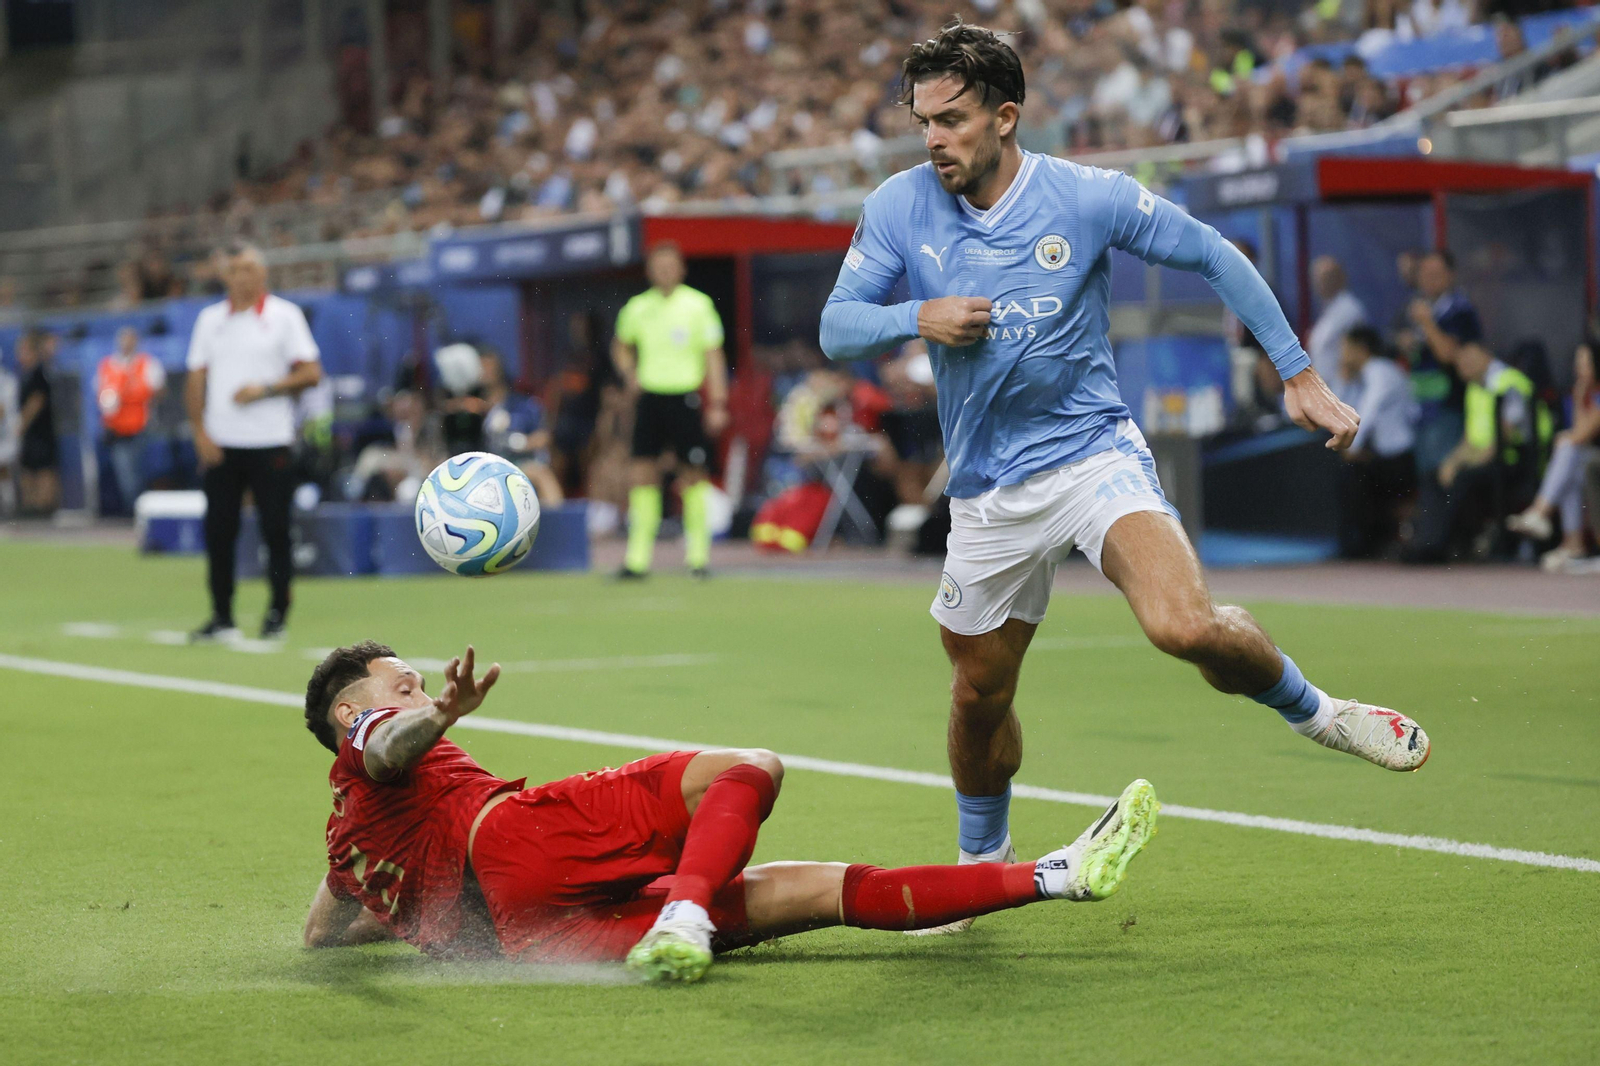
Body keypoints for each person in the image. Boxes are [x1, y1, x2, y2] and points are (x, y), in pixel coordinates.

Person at [819, 21, 1430, 932]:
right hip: (987, 492)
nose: (934, 139)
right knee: (979, 694)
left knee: (1182, 625)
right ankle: (982, 861)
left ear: (1006, 116)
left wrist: (1299, 372)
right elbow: (837, 326)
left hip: (1093, 455)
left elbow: (1215, 255)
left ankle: (1318, 711)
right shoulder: (899, 207)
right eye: (923, 122)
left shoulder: (1088, 197)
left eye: (951, 120)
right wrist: (920, 315)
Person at [300, 641, 1160, 983]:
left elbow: (321, 935)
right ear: (349, 710)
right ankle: (684, 906)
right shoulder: (371, 739)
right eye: (396, 678)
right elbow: (387, 748)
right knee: (751, 767)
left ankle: (1058, 875)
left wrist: (408, 915)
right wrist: (441, 713)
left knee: (814, 892)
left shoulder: (348, 844)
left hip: (534, 936)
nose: (411, 684)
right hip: (523, 841)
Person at [185, 243, 323, 642]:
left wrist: (265, 388)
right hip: (222, 442)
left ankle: (277, 612)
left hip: (270, 440)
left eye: (247, 269)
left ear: (262, 275)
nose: (240, 277)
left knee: (276, 529)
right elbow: (196, 377)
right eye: (233, 270)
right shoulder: (210, 320)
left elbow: (311, 372)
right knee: (219, 530)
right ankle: (221, 615)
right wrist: (199, 430)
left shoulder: (284, 316)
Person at [612, 243, 728, 579]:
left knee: (692, 474)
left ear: (681, 269)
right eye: (658, 265)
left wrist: (718, 403)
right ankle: (637, 559)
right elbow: (621, 345)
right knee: (642, 473)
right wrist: (628, 373)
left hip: (685, 396)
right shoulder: (637, 307)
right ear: (649, 270)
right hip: (650, 397)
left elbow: (713, 356)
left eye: (670, 265)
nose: (664, 271)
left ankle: (698, 557)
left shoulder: (697, 305)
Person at [1406, 342, 1546, 563]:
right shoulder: (1474, 388)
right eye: (1460, 361)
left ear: (1486, 355)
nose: (1464, 365)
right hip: (1487, 459)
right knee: (1435, 475)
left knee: (1461, 478)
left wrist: (1464, 465)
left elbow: (1504, 437)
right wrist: (1451, 462)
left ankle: (1437, 546)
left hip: (1516, 461)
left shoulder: (1509, 382)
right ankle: (1425, 543)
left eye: (1470, 358)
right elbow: (1470, 440)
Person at [1506, 340, 1600, 569]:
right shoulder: (1582, 394)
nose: (1579, 369)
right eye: (1577, 363)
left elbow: (1581, 435)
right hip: (1590, 461)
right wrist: (1579, 400)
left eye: (1584, 363)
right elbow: (1578, 434)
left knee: (1568, 450)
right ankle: (1573, 544)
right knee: (1572, 465)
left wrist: (1568, 436)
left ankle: (1540, 512)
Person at [1336, 326, 1416, 558]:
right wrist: (1343, 381)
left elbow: (1366, 413)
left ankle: (1362, 546)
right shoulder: (1363, 375)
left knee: (1352, 475)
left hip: (1400, 457)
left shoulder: (1380, 371)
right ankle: (1363, 543)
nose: (1342, 354)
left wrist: (1351, 446)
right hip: (1383, 455)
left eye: (1345, 348)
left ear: (1361, 349)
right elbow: (1343, 408)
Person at [1405, 249, 1481, 482]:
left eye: (1435, 273)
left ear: (1450, 275)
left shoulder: (1459, 310)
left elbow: (1449, 354)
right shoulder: (1424, 307)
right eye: (1424, 273)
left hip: (1447, 408)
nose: (1428, 279)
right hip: (1421, 408)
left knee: (1442, 478)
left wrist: (1426, 324)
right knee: (1424, 476)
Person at [95, 326, 167, 515]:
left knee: (141, 474)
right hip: (117, 431)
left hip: (141, 428)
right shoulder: (108, 366)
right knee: (127, 478)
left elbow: (159, 391)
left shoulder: (148, 364)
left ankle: (143, 514)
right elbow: (101, 396)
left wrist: (135, 394)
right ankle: (134, 514)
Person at [1306, 256, 1367, 394]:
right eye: (1318, 277)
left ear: (1341, 277)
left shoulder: (1350, 310)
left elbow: (1356, 355)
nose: (1322, 282)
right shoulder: (1327, 310)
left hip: (1343, 391)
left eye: (1328, 276)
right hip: (1323, 390)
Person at [17, 329, 60, 516]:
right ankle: (31, 507)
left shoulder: (39, 373)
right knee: (28, 470)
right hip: (31, 435)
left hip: (41, 433)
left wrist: (20, 425)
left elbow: (37, 401)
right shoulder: (25, 375)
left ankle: (44, 509)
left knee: (43, 471)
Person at [0, 342, 18, 517]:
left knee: (3, 468)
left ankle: (9, 507)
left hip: (4, 435)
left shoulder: (6, 381)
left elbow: (3, 410)